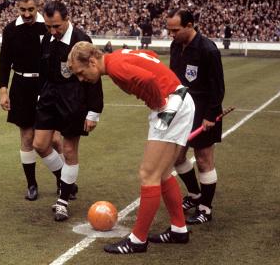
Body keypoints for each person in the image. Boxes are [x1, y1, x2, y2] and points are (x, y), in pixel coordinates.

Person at [68, 42, 195, 254]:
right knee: (162, 173)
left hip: (172, 105)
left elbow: (148, 79)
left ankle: (137, 240)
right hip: (180, 100)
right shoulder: (118, 56)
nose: (82, 79)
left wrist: (159, 104)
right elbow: (149, 55)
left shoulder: (115, 66)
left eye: (81, 73)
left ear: (91, 61)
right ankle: (179, 229)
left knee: (148, 174)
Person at [33, 1, 103, 221]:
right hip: (49, 97)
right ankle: (68, 183)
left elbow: (94, 76)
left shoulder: (81, 40)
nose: (53, 31)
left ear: (67, 19)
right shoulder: (46, 39)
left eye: (56, 26)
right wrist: (39, 95)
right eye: (48, 26)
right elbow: (43, 71)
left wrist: (93, 111)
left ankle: (62, 200)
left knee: (69, 150)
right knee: (40, 145)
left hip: (74, 98)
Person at [0, 0, 63, 201]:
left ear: (38, 6)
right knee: (27, 137)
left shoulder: (47, 27)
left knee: (54, 138)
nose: (26, 14)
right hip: (21, 86)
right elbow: (4, 61)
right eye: (22, 10)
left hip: (46, 85)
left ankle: (63, 182)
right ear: (17, 8)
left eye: (31, 9)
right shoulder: (10, 30)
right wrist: (3, 91)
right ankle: (32, 185)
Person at [167, 8, 225, 225]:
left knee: (203, 160)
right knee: (178, 157)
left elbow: (218, 87)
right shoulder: (175, 46)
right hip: (181, 109)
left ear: (190, 26)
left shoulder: (208, 50)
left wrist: (210, 115)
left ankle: (205, 209)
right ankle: (194, 195)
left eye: (175, 30)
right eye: (169, 30)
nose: (171, 34)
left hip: (204, 111)